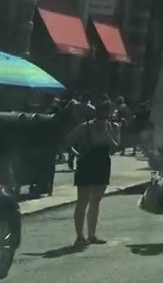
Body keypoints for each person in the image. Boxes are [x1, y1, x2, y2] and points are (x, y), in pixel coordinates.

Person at [65, 102, 119, 247]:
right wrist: (77, 154)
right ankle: (80, 236)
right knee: (82, 201)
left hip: (102, 165)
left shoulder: (113, 127)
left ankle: (92, 235)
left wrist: (108, 137)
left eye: (105, 113)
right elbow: (68, 141)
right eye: (100, 113)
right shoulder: (86, 127)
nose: (102, 117)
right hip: (86, 165)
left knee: (96, 200)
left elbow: (115, 148)